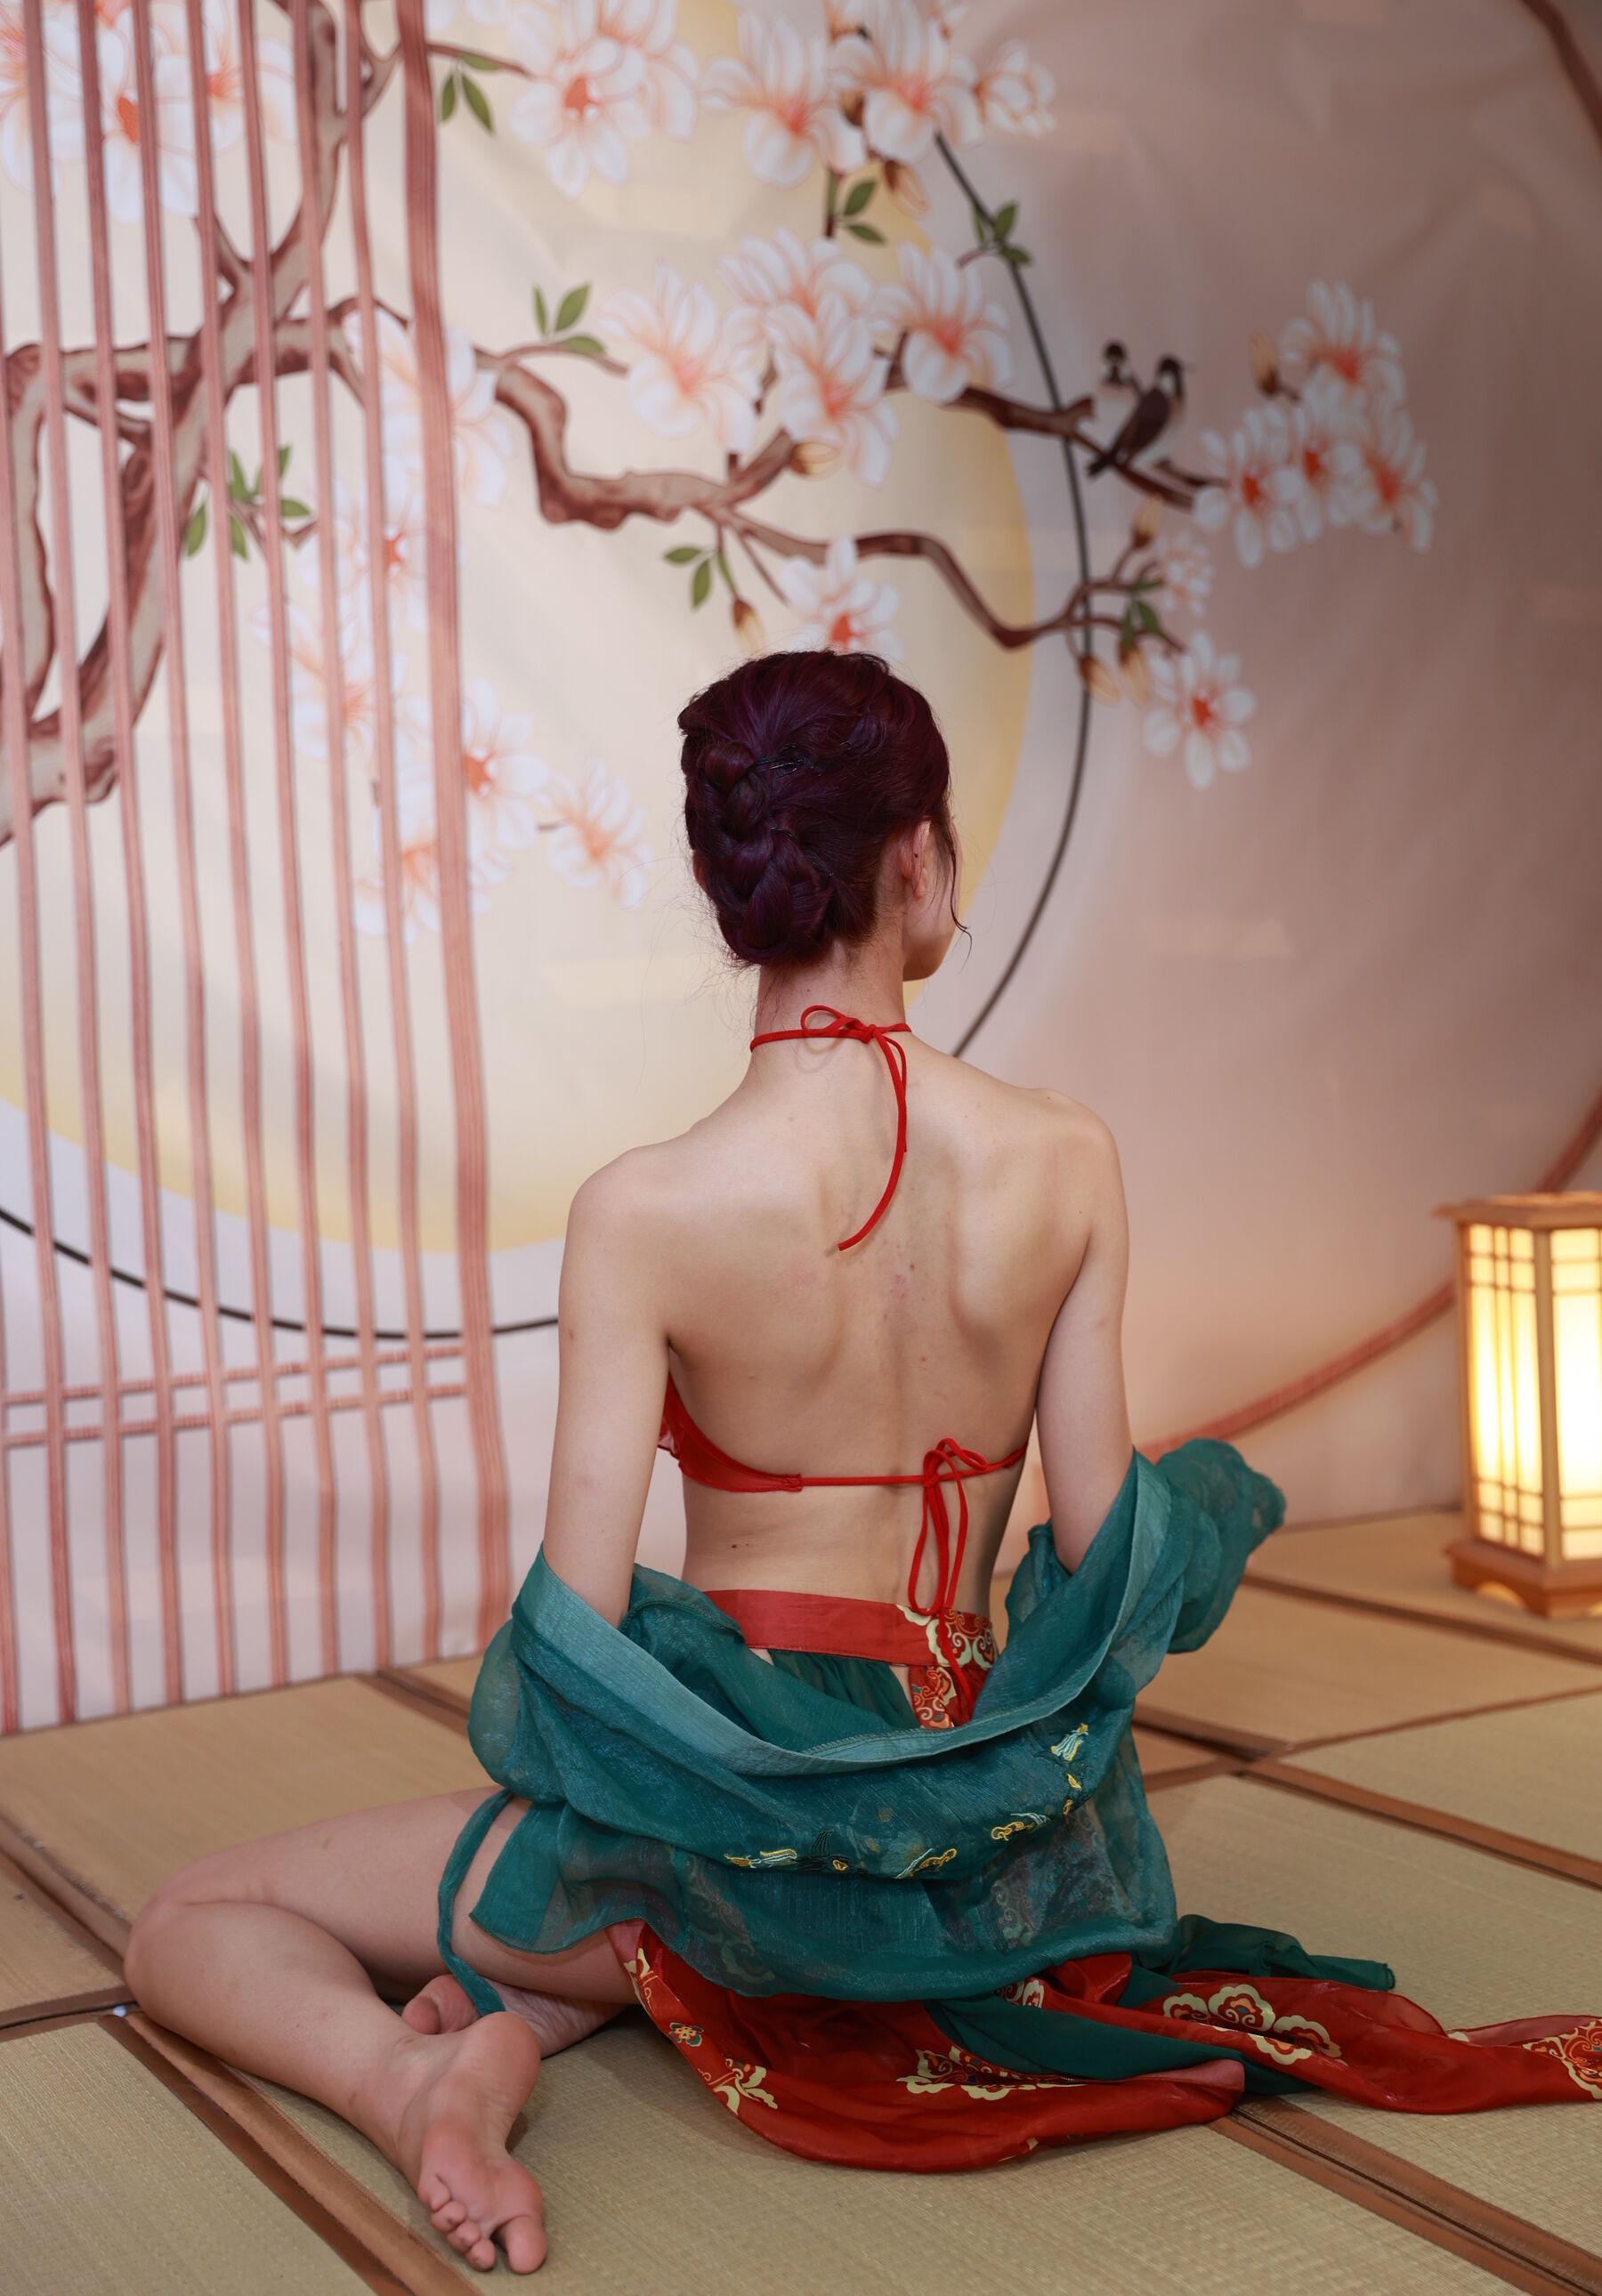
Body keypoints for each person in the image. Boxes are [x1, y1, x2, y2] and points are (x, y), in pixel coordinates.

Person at [125, 653, 1598, 2273]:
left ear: (733, 885)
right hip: (1011, 1858)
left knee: (194, 1916)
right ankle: (557, 2007)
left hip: (741, 1825)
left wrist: (672, 1830)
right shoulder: (1066, 1157)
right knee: (620, 1908)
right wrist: (1219, 1505)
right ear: (919, 856)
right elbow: (1111, 1565)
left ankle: (425, 2071)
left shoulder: (645, 1209)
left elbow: (574, 1647)